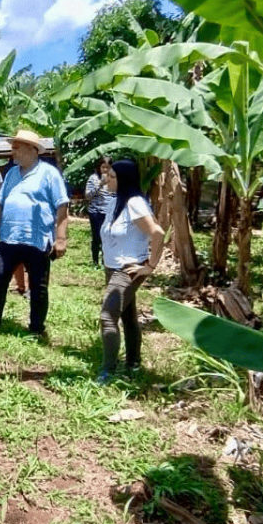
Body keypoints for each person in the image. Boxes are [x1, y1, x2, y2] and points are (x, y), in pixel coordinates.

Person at [0, 130, 69, 339]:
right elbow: (1, 200)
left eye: (16, 147)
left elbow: (62, 206)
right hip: (9, 237)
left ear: (31, 150)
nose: (12, 151)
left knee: (38, 286)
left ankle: (36, 328)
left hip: (36, 238)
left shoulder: (49, 173)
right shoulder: (12, 173)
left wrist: (61, 238)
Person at [96, 159, 165, 383]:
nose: (107, 179)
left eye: (113, 176)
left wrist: (150, 267)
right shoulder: (116, 202)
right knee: (127, 314)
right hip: (113, 267)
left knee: (107, 317)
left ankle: (108, 370)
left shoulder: (135, 202)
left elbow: (157, 233)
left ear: (124, 180)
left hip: (127, 270)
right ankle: (133, 362)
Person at [85, 157, 114, 268]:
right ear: (99, 167)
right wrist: (100, 184)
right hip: (96, 212)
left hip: (109, 212)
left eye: (108, 167)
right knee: (97, 236)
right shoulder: (93, 178)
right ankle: (95, 261)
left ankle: (106, 260)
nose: (105, 170)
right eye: (103, 167)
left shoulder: (114, 178)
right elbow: (88, 196)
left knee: (107, 237)